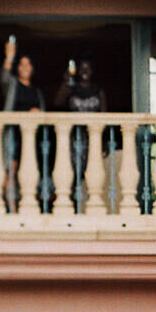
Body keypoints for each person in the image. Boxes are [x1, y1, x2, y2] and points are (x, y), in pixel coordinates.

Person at [0, 46, 49, 210]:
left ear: (33, 68)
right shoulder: (13, 84)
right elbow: (4, 78)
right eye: (21, 64)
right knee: (11, 171)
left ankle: (27, 206)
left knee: (29, 171)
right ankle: (12, 207)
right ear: (17, 67)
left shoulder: (37, 92)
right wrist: (9, 56)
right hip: (14, 136)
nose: (25, 67)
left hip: (30, 138)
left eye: (28, 64)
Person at [54, 59, 108, 209]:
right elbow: (58, 102)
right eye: (82, 68)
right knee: (73, 176)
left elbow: (104, 118)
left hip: (93, 141)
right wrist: (65, 82)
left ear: (92, 71)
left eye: (88, 68)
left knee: (93, 177)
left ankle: (90, 209)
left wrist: (103, 142)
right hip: (74, 140)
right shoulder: (71, 89)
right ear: (77, 71)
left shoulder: (98, 91)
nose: (85, 71)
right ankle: (73, 208)